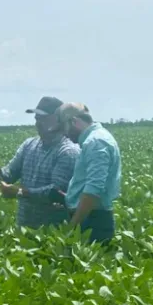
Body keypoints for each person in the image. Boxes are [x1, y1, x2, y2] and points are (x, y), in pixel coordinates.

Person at [0, 96, 80, 228]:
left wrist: (19, 192)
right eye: (37, 118)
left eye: (43, 118)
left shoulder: (68, 151)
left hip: (54, 231)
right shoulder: (29, 145)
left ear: (59, 120)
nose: (38, 122)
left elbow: (56, 192)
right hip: (24, 227)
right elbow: (8, 176)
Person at [57, 102, 122, 244]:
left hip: (92, 221)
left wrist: (73, 226)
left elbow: (93, 190)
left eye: (64, 128)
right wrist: (71, 197)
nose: (65, 135)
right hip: (91, 216)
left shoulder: (95, 142)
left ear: (74, 122)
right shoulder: (96, 138)